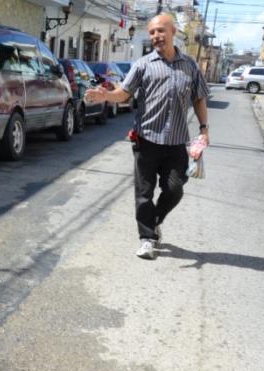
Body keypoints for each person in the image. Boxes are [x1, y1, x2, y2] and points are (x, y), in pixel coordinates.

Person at [85, 13, 210, 259]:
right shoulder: (143, 65)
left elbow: (198, 97)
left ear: (173, 31)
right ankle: (146, 238)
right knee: (144, 193)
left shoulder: (190, 66)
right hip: (146, 139)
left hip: (176, 142)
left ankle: (154, 222)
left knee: (175, 189)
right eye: (152, 32)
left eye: (161, 31)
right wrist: (105, 96)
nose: (155, 36)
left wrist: (204, 128)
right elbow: (124, 93)